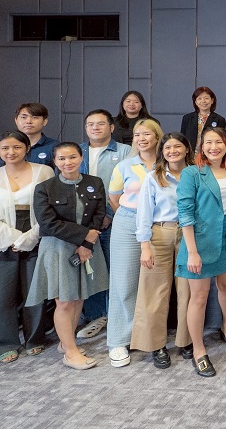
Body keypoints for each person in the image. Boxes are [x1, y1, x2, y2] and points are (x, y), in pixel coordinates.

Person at [27, 142, 108, 370]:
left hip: (87, 247)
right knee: (64, 301)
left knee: (78, 296)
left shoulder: (95, 182)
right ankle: (70, 353)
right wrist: (84, 236)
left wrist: (87, 243)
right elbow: (48, 223)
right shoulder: (45, 188)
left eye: (72, 157)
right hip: (58, 248)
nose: (67, 162)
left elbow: (99, 214)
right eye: (61, 159)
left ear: (81, 158)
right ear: (55, 161)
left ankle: (66, 343)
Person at [176, 127, 226, 377]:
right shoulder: (192, 173)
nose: (214, 147)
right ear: (201, 147)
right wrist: (192, 252)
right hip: (200, 243)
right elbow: (185, 213)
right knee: (200, 297)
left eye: (219, 142)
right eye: (208, 142)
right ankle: (199, 350)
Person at [130, 133, 193, 369]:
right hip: (159, 234)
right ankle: (156, 345)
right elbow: (144, 213)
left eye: (177, 146)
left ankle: (186, 340)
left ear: (186, 149)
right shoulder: (153, 177)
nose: (172, 151)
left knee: (187, 290)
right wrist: (145, 246)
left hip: (188, 235)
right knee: (155, 292)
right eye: (168, 148)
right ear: (162, 152)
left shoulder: (195, 174)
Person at [106, 119, 162, 368]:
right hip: (128, 223)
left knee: (154, 285)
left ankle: (148, 336)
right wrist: (133, 216)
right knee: (124, 282)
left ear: (157, 137)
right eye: (137, 134)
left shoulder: (167, 163)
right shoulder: (125, 166)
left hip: (160, 224)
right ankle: (119, 340)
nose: (141, 138)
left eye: (146, 134)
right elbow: (114, 197)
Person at [76, 110, 132, 340]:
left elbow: (128, 185)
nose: (95, 127)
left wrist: (108, 215)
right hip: (82, 223)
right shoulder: (77, 151)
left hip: (114, 220)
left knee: (116, 271)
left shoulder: (125, 151)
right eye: (90, 124)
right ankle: (96, 316)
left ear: (111, 127)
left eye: (100, 124)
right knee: (91, 270)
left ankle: (116, 317)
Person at [0, 131, 54, 363]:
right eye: (5, 148)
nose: (10, 152)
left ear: (27, 148)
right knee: (4, 294)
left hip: (37, 232)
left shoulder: (44, 171)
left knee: (35, 291)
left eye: (16, 147)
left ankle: (35, 338)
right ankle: (7, 343)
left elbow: (50, 208)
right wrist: (12, 238)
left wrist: (30, 237)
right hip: (4, 237)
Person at [180, 86, 226, 154]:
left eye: (206, 98)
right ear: (195, 102)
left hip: (210, 154)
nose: (203, 101)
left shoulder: (219, 119)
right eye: (199, 98)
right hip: (190, 155)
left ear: (212, 100)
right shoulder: (187, 118)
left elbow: (222, 141)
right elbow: (182, 139)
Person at [12, 103, 58, 169]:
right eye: (24, 117)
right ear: (16, 120)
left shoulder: (54, 146)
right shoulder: (5, 146)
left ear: (45, 121)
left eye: (35, 117)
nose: (28, 121)